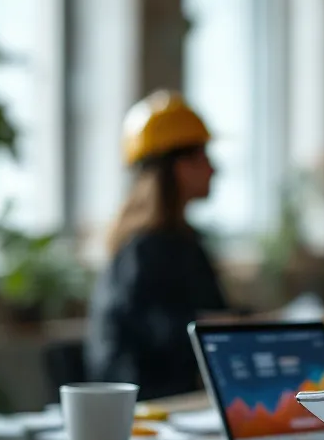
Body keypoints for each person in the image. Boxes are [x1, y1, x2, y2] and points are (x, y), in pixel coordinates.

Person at [86, 90, 228, 400]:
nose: (214, 170)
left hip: (177, 402)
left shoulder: (180, 243)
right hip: (149, 408)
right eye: (204, 156)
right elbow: (166, 333)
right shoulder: (145, 250)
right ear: (179, 166)